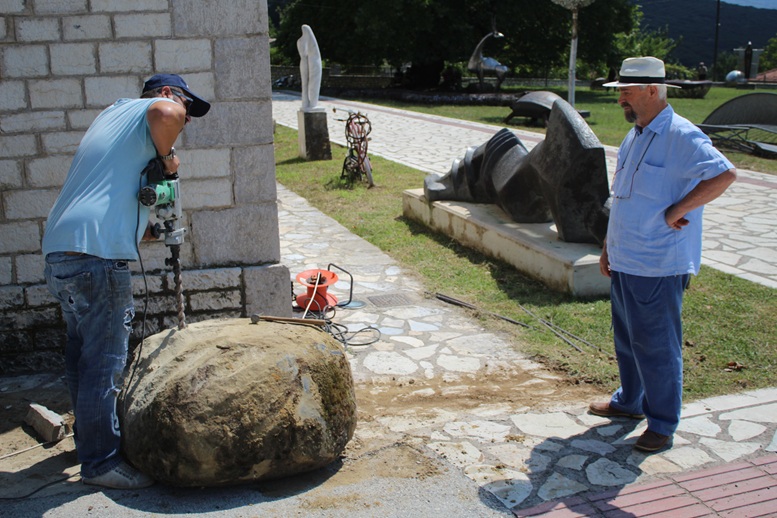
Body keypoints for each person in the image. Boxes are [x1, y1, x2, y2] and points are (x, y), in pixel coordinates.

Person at [42, 74, 210, 488]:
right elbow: (166, 114)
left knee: (82, 355)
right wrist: (168, 159)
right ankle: (101, 463)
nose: (185, 119)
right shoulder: (155, 110)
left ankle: (88, 444)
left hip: (62, 249)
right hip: (96, 259)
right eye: (188, 109)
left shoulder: (113, 116)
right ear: (168, 93)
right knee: (105, 362)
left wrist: (144, 229)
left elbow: (111, 195)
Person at [591, 57, 736, 452]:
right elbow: (623, 196)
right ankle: (629, 401)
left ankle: (662, 423)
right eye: (620, 91)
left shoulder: (681, 135)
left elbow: (724, 174)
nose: (620, 99)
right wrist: (608, 245)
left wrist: (679, 209)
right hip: (626, 257)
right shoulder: (635, 135)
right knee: (627, 339)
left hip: (657, 263)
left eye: (626, 91)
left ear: (652, 90)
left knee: (656, 345)